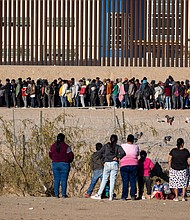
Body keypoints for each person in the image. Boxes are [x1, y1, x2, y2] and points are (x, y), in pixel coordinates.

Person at [91, 134, 126, 200]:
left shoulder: (106, 146)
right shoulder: (117, 147)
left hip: (107, 163)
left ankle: (99, 194)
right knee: (112, 180)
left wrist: (104, 158)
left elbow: (99, 152)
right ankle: (111, 195)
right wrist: (117, 157)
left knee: (104, 179)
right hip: (114, 164)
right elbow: (123, 153)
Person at [49, 133, 74, 198]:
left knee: (56, 179)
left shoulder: (52, 146)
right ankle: (63, 194)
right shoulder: (66, 147)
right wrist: (69, 160)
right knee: (64, 180)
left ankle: (56, 194)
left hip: (55, 164)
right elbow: (71, 155)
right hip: (65, 164)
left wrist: (55, 159)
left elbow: (50, 154)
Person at [120, 134, 139, 200]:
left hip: (124, 164)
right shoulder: (136, 147)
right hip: (134, 165)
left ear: (127, 139)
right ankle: (133, 195)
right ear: (133, 140)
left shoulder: (122, 146)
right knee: (133, 181)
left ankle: (124, 196)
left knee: (125, 181)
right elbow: (137, 154)